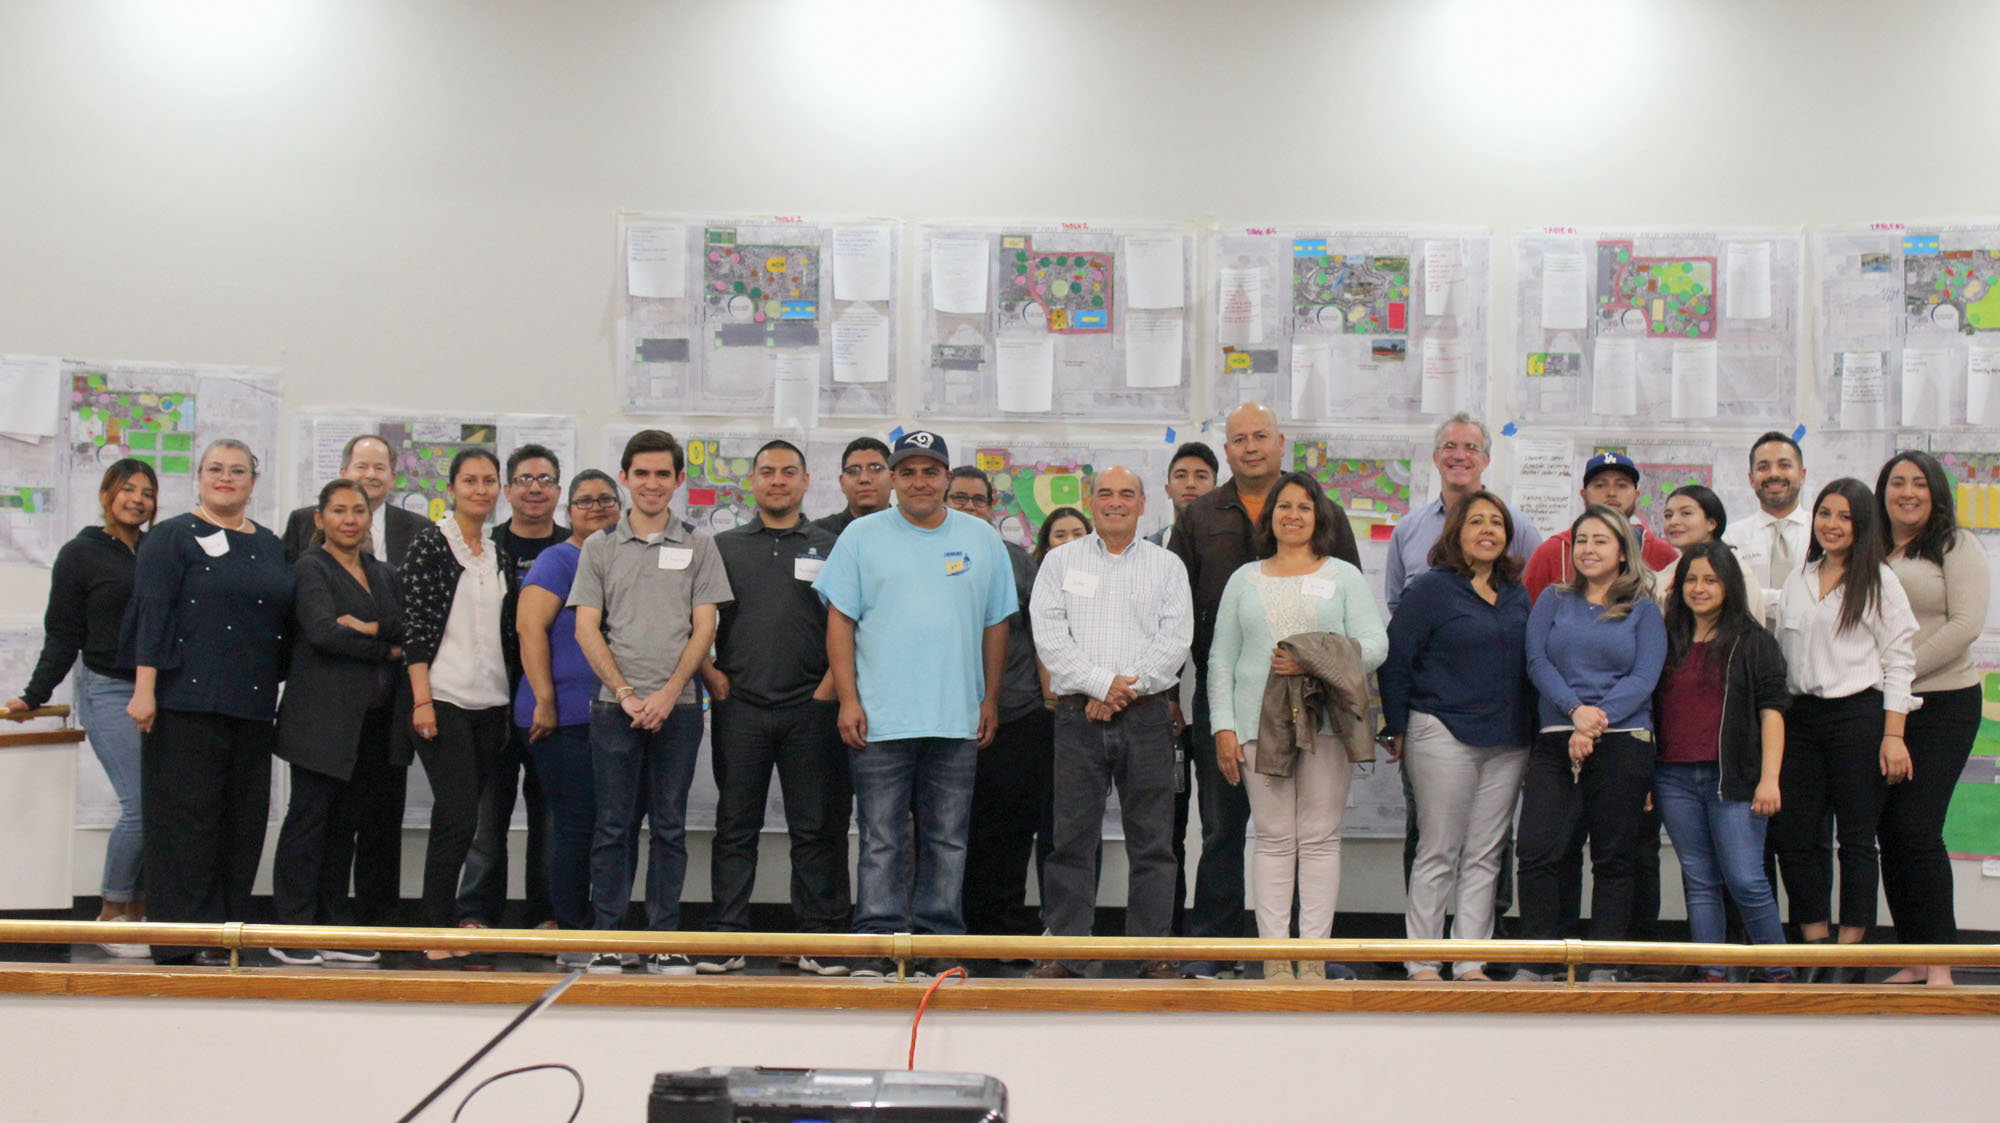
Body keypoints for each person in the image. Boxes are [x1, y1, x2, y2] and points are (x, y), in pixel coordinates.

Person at [813, 430, 1016, 979]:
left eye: (931, 472)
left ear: (948, 478)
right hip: (879, 718)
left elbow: (997, 624)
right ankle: (876, 946)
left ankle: (937, 947)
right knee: (881, 838)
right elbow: (840, 622)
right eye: (907, 472)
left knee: (947, 840)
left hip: (956, 716)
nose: (919, 482)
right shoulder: (861, 536)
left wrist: (989, 699)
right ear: (892, 479)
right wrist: (848, 699)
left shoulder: (981, 538)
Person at [1169, 403, 1359, 980]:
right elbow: (1179, 608)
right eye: (1238, 439)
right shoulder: (1200, 515)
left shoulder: (1322, 510)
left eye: (1260, 437)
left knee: (1309, 833)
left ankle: (1310, 952)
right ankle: (1219, 950)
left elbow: (1352, 615)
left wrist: (1317, 660)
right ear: (1226, 451)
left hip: (1315, 702)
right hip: (1230, 696)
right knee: (1226, 827)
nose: (1250, 447)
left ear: (1281, 444)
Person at [1207, 471, 1385, 981]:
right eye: (1284, 506)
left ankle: (1312, 956)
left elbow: (1375, 645)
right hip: (1253, 724)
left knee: (1321, 837)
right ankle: (1274, 957)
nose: (1292, 515)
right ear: (1271, 517)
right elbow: (1221, 659)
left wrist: (1314, 658)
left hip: (1327, 721)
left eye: (1304, 507)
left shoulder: (1344, 576)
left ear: (1318, 516)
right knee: (1271, 837)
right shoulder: (1244, 578)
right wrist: (1222, 725)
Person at [120, 439, 292, 966]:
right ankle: (179, 941)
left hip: (252, 705)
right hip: (184, 703)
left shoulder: (269, 544)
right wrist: (144, 690)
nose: (226, 477)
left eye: (237, 470)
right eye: (215, 469)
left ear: (252, 483)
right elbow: (153, 613)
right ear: (199, 478)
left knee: (241, 825)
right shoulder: (171, 538)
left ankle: (226, 936)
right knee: (185, 826)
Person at [570, 430, 731, 974]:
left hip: (679, 709)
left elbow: (704, 624)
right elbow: (587, 628)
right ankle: (608, 936)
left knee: (669, 826)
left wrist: (666, 694)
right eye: (642, 473)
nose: (653, 483)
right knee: (613, 826)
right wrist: (625, 693)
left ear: (679, 480)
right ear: (625, 477)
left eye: (664, 474)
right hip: (614, 708)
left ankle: (664, 935)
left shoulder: (699, 544)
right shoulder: (598, 547)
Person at [1027, 466, 1192, 980]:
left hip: (1146, 719)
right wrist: (1102, 685)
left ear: (1144, 505)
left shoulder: (1167, 567)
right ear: (1091, 502)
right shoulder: (1059, 562)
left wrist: (1123, 691)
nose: (1115, 503)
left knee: (1154, 843)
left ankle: (1151, 953)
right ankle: (1067, 951)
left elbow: (1175, 641)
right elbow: (1050, 638)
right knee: (1071, 840)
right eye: (1105, 494)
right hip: (1078, 718)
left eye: (1127, 495)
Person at [698, 442, 852, 976]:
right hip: (739, 705)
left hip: (811, 706)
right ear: (754, 483)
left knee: (814, 829)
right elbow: (695, 620)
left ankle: (817, 938)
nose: (778, 481)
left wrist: (832, 686)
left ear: (808, 482)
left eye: (789, 472)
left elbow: (852, 622)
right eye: (768, 472)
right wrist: (709, 674)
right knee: (735, 826)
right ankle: (727, 936)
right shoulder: (722, 546)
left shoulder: (833, 546)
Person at [1382, 413, 1542, 920]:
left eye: (1497, 523)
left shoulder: (1518, 596)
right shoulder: (1430, 588)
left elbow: (1535, 659)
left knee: (1486, 854)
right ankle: (1425, 963)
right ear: (1456, 530)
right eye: (1477, 521)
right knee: (1436, 851)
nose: (1488, 530)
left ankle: (1472, 962)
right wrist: (1397, 727)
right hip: (1442, 734)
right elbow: (1396, 655)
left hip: (1507, 739)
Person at [1769, 478, 1917, 982]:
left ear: (1862, 525)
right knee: (1796, 836)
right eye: (1825, 514)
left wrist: (1893, 735)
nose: (1831, 525)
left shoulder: (1879, 580)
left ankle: (1850, 955)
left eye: (1845, 517)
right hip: (1800, 719)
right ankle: (1815, 945)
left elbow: (1900, 661)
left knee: (1856, 839)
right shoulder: (1800, 578)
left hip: (1859, 716)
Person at [7, 459, 157, 955]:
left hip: (156, 694)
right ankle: (112, 910)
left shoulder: (158, 550)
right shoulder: (80, 554)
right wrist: (33, 694)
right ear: (106, 494)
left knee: (157, 804)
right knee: (139, 804)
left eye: (147, 492)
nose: (137, 499)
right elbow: (63, 633)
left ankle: (136, 911)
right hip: (108, 690)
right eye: (127, 489)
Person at [1516, 506, 1666, 982]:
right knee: (1540, 850)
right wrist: (1574, 713)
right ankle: (1539, 960)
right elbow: (1537, 661)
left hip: (1622, 739)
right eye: (1581, 540)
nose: (1589, 549)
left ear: (1623, 551)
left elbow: (1644, 676)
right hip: (1557, 736)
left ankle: (1603, 963)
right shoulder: (1553, 600)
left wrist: (1594, 723)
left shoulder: (1643, 607)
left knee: (1614, 857)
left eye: (1601, 540)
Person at [269, 479, 405, 966]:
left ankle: (329, 925)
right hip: (320, 720)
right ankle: (292, 928)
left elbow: (406, 625)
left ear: (370, 517)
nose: (350, 519)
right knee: (310, 823)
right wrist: (387, 649)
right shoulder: (310, 567)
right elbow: (324, 633)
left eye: (359, 510)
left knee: (345, 827)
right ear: (320, 519)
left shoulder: (382, 571)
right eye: (339, 510)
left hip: (371, 724)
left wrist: (370, 629)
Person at [398, 447, 518, 966]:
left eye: (489, 481)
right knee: (456, 815)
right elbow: (416, 628)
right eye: (470, 481)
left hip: (493, 702)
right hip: (442, 697)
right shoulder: (431, 543)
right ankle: (434, 928)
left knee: (480, 821)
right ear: (452, 488)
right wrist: (421, 698)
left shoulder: (497, 552)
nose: (481, 490)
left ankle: (464, 920)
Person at [1652, 542, 1793, 984]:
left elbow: (1772, 713)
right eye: (1691, 579)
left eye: (1710, 579)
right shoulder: (1666, 638)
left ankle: (1779, 973)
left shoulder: (1754, 642)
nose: (1699, 588)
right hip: (1673, 776)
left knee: (1746, 879)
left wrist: (1770, 780)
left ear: (1729, 585)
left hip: (1733, 781)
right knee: (1698, 880)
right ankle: (1711, 972)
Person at [1877, 452, 1987, 985]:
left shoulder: (1955, 544)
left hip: (1943, 702)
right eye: (1897, 482)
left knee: (1918, 828)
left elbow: (1966, 624)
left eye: (1919, 483)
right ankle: (1915, 955)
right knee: (1889, 831)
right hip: (1883, 709)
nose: (1907, 492)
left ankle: (1941, 961)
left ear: (1936, 491)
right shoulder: (1870, 546)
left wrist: (1900, 674)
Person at [457, 443, 568, 942]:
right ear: (507, 490)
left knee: (550, 819)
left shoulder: (576, 549)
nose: (535, 488)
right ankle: (476, 913)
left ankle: (545, 913)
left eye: (545, 479)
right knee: (487, 817)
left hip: (557, 705)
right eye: (524, 479)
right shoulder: (485, 547)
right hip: (491, 702)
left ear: (558, 490)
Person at [515, 469, 622, 961]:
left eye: (606, 500)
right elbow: (529, 630)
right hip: (562, 719)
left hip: (617, 715)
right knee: (576, 825)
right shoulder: (559, 559)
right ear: (568, 511)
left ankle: (603, 931)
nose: (596, 508)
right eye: (585, 501)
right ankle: (574, 935)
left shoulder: (624, 557)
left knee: (610, 827)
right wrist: (545, 699)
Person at [946, 466, 1056, 947]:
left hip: (1014, 713)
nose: (970, 508)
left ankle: (1004, 930)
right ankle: (948, 930)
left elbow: (1041, 636)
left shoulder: (1018, 561)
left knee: (1010, 831)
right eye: (960, 499)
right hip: (943, 715)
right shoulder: (927, 554)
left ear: (993, 507)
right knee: (946, 831)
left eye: (978, 500)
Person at [1146, 441, 1217, 936]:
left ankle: (1214, 938)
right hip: (1157, 708)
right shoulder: (1145, 549)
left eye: (1202, 476)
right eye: (1182, 475)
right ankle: (1162, 936)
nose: (1191, 484)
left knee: (1218, 826)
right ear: (1167, 486)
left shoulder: (1230, 544)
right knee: (1163, 828)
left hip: (1214, 705)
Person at [1384, 413, 1543, 612]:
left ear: (1486, 460)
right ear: (1436, 457)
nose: (1459, 456)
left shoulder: (1517, 527)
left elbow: (1539, 602)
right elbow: (1397, 604)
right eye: (1449, 446)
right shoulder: (1407, 529)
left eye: (1471, 448)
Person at [1521, 451, 1680, 602]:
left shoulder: (1661, 553)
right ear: (1583, 495)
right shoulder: (1553, 551)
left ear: (1636, 495)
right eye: (1600, 485)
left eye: (1622, 485)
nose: (1611, 493)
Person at [282, 433, 431, 565]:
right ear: (344, 473)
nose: (370, 475)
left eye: (379, 468)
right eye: (361, 467)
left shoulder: (420, 529)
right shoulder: (303, 521)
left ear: (392, 479)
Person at [1722, 431, 1810, 624]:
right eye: (1763, 467)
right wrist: (1799, 600)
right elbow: (1730, 596)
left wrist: (1757, 597)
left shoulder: (1822, 533)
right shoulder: (1730, 538)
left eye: (1784, 465)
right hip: (1750, 649)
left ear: (1802, 475)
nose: (1774, 474)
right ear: (1751, 478)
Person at [813, 436, 892, 538]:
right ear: (842, 483)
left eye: (875, 469)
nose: (864, 479)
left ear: (893, 479)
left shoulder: (912, 530)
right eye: (853, 471)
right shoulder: (818, 534)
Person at [1659, 483, 1728, 558]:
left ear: (1711, 523)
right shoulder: (1672, 569)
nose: (1673, 522)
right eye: (1668, 515)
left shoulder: (1727, 566)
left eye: (1686, 513)